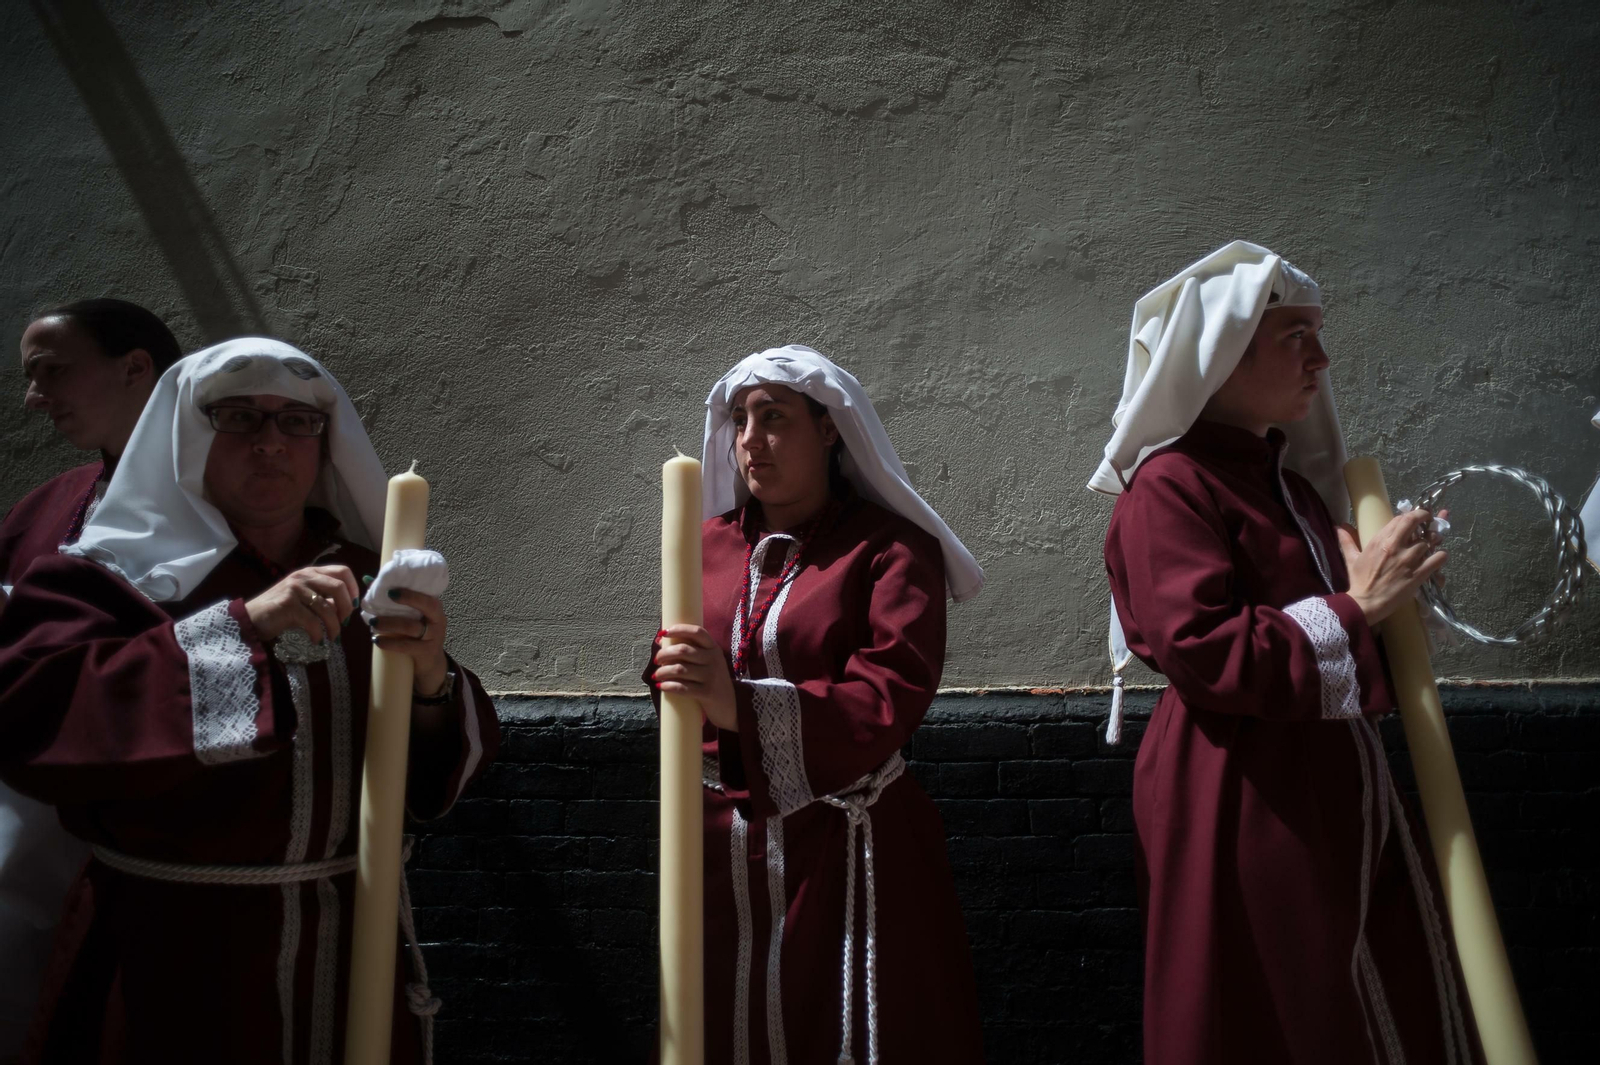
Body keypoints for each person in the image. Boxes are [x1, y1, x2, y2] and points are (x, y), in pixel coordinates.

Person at [0, 337, 499, 1064]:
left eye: (297, 422)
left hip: (346, 945)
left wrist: (431, 680)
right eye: (239, 418)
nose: (271, 443)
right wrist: (246, 626)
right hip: (169, 957)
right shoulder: (107, 575)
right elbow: (36, 717)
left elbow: (427, 778)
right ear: (188, 435)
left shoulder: (366, 577)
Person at [1092, 242, 1477, 1064]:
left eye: (1317, 334)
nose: (1321, 358)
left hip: (1331, 780)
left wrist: (1399, 571)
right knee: (1277, 1008)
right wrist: (1359, 601)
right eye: (1295, 335)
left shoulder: (1291, 486)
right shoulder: (1170, 488)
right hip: (1239, 790)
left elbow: (1349, 616)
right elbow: (1205, 648)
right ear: (1221, 351)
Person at [647, 344, 987, 1064]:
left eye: (774, 417)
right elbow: (673, 672)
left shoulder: (890, 549)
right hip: (716, 856)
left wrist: (733, 701)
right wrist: (677, 674)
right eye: (739, 419)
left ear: (830, 429)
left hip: (845, 849)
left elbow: (888, 692)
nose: (749, 438)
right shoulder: (703, 547)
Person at [0, 298, 182, 1061]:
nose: (34, 397)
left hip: (145, 837)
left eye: (52, 371)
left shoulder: (217, 505)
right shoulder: (46, 505)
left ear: (136, 367)